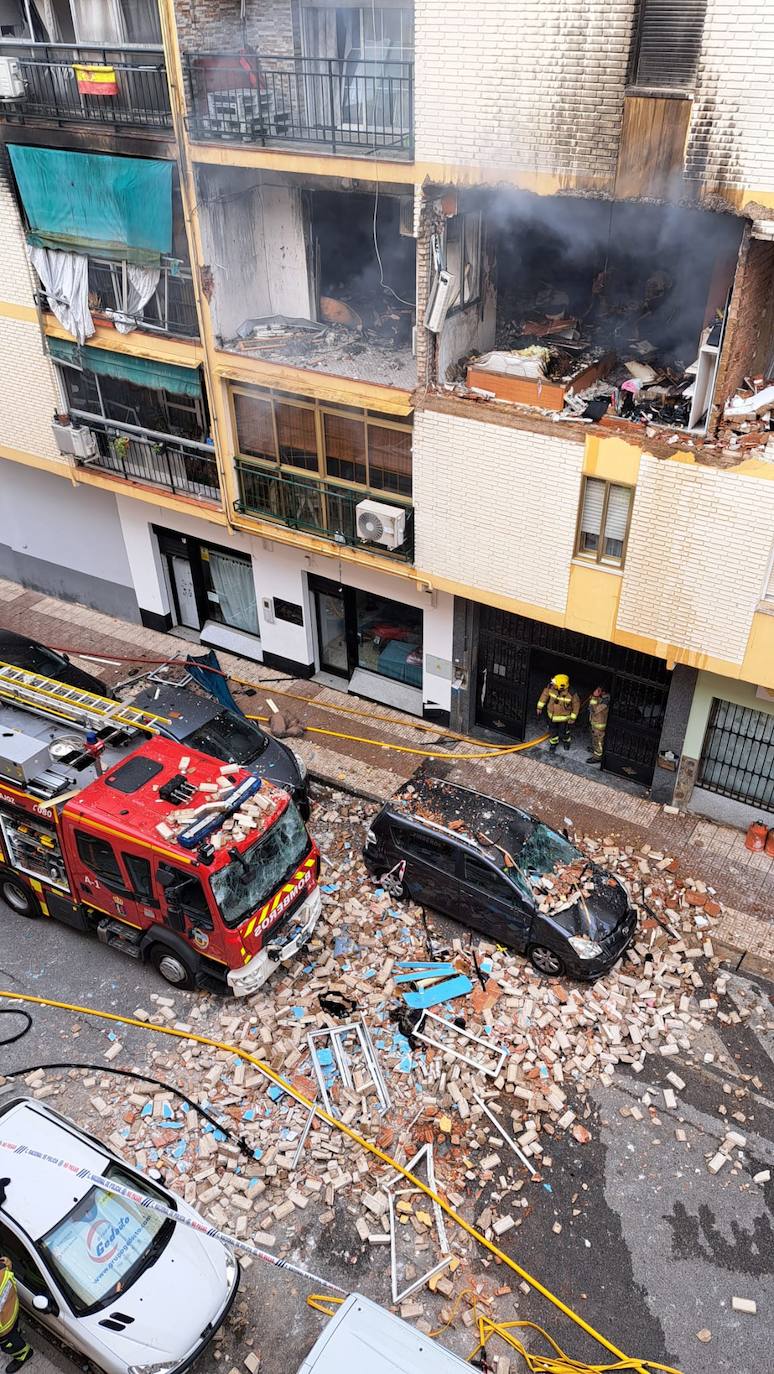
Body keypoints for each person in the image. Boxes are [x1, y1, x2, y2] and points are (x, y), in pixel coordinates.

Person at [0, 1255, 33, 1371]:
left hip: (3, 1328)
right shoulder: (3, 1264)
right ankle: (16, 1333)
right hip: (13, 1308)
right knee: (14, 1330)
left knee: (9, 1344)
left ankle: (23, 1354)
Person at [536, 673, 580, 752]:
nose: (553, 684)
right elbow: (544, 696)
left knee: (564, 732)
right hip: (551, 716)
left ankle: (566, 742)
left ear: (562, 686)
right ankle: (554, 743)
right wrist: (539, 707)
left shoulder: (571, 694)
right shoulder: (550, 687)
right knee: (552, 731)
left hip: (564, 719)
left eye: (555, 683)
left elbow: (576, 706)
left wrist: (573, 718)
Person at [587, 685, 610, 764]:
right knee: (594, 739)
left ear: (603, 692)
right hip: (595, 723)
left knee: (599, 742)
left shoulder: (605, 701)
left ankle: (597, 757)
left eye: (599, 690)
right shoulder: (601, 698)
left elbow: (595, 709)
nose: (596, 691)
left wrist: (594, 697)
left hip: (599, 726)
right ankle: (595, 750)